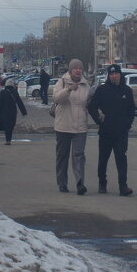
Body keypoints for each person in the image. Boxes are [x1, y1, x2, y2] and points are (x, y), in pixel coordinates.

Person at [87, 64, 136, 195]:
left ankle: (123, 186)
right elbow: (91, 107)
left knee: (121, 160)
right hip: (106, 131)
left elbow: (132, 109)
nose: (114, 76)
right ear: (108, 76)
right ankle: (102, 183)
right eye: (111, 74)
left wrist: (128, 124)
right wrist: (99, 120)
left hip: (121, 133)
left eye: (116, 74)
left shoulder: (127, 90)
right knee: (103, 159)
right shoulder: (102, 90)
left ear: (120, 74)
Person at [52, 59, 91, 194]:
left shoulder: (86, 85)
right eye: (75, 68)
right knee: (62, 156)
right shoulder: (62, 82)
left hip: (80, 127)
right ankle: (62, 183)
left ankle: (80, 183)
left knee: (79, 156)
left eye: (80, 68)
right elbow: (56, 99)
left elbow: (89, 103)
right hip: (63, 126)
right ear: (70, 70)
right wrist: (68, 89)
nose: (78, 70)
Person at [0, 79, 28, 144]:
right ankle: (9, 139)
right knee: (11, 125)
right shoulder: (15, 92)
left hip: (4, 112)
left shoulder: (3, 92)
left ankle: (8, 140)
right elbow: (19, 102)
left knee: (6, 125)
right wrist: (24, 112)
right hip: (13, 112)